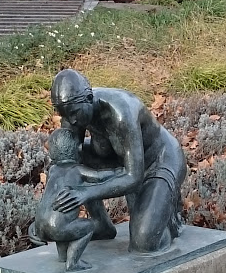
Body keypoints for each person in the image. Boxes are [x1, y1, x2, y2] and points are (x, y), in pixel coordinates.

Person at [41, 69, 187, 259]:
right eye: (65, 115)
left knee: (145, 242)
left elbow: (133, 177)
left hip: (159, 161)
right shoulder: (73, 112)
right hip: (121, 162)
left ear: (88, 97)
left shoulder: (121, 112)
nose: (71, 120)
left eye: (74, 113)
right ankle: (101, 224)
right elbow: (66, 166)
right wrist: (44, 219)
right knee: (73, 156)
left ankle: (168, 213)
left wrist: (86, 192)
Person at [34, 128, 120, 271]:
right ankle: (73, 263)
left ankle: (62, 256)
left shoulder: (53, 170)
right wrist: (118, 172)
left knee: (60, 222)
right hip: (57, 228)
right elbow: (99, 176)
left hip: (41, 227)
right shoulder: (77, 170)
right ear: (78, 149)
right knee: (89, 226)